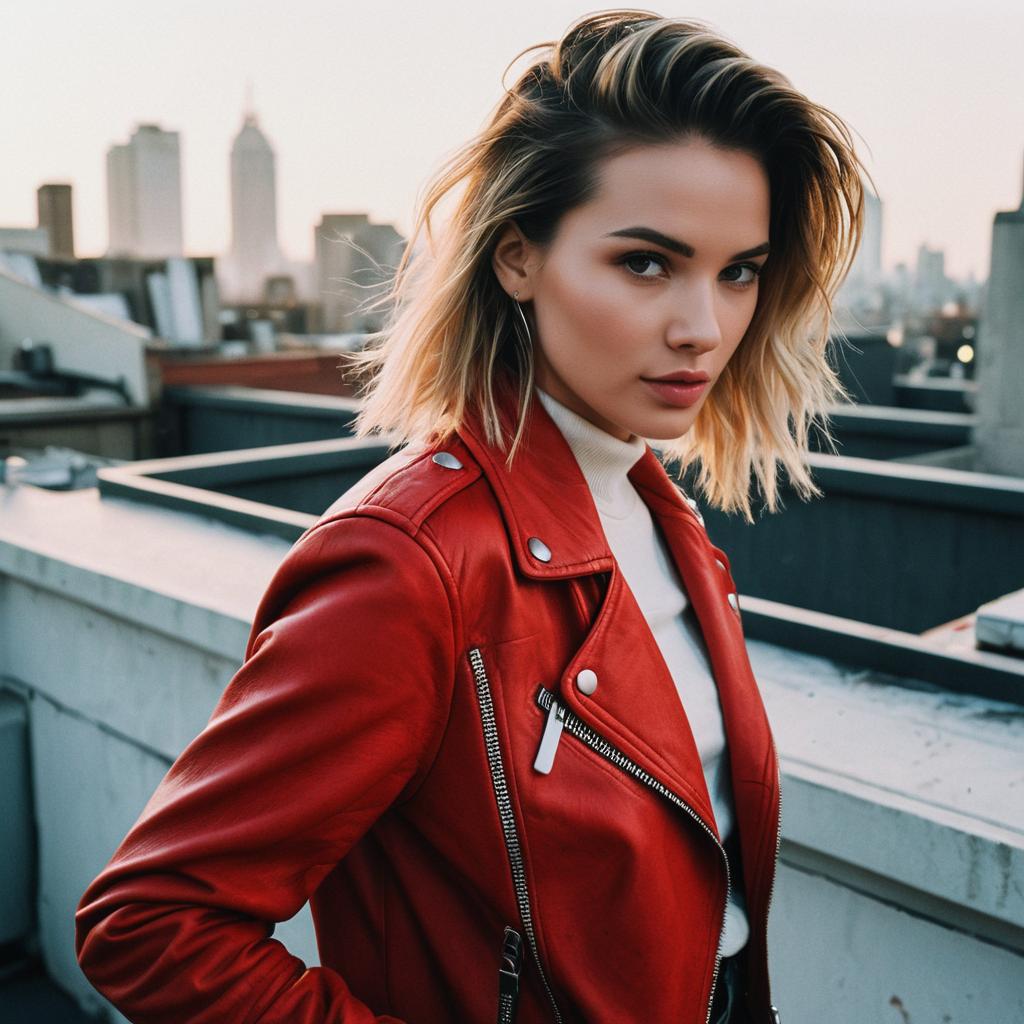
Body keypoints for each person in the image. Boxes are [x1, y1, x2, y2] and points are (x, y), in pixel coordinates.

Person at [75, 10, 865, 1023]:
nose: (701, 327)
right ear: (516, 259)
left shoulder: (668, 528)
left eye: (737, 271)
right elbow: (149, 923)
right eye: (644, 262)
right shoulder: (410, 562)